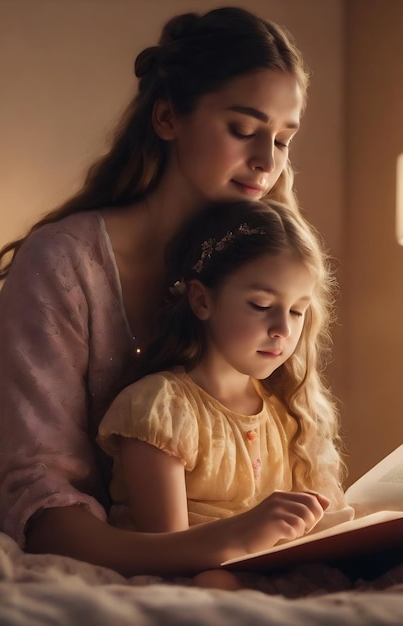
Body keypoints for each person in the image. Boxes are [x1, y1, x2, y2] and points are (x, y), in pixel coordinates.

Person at [0, 6, 403, 589]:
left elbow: (295, 478)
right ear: (166, 118)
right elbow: (44, 514)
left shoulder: (269, 274)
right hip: (86, 541)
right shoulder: (64, 264)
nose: (266, 161)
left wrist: (388, 559)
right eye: (243, 128)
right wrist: (225, 545)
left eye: (285, 139)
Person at [97, 198, 354, 590]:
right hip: (198, 574)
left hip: (264, 573)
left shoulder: (287, 413)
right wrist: (249, 532)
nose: (283, 329)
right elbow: (166, 554)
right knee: (213, 585)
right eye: (261, 305)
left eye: (298, 311)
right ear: (202, 300)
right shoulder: (159, 407)